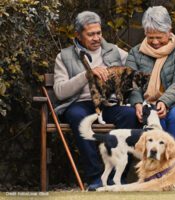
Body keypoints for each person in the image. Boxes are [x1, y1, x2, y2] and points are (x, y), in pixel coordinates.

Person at [53, 11, 139, 190]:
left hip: (108, 103)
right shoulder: (64, 56)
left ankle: (118, 177)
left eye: (98, 33)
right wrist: (87, 75)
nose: (96, 38)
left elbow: (135, 67)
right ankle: (95, 178)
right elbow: (60, 92)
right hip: (79, 103)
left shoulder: (114, 51)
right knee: (77, 116)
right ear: (78, 35)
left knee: (130, 116)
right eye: (90, 34)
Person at [126, 6, 175, 145]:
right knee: (153, 117)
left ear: (169, 31)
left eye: (159, 37)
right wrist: (136, 103)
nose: (155, 42)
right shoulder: (135, 53)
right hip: (147, 104)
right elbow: (132, 83)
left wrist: (164, 102)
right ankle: (157, 165)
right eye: (150, 37)